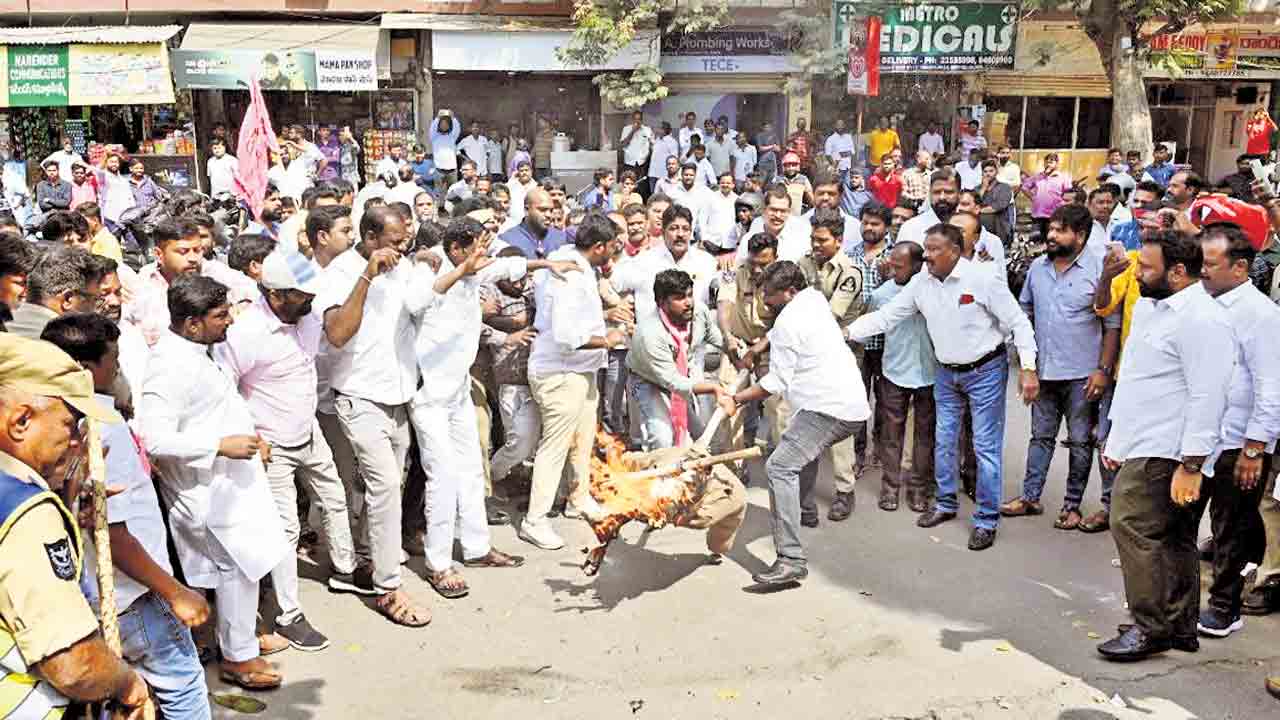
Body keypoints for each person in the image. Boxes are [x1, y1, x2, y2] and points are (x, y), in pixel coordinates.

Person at [40, 313, 213, 718]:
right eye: (113, 360)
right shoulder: (102, 427)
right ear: (85, 369)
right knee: (183, 689)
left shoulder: (57, 424)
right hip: (135, 596)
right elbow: (112, 533)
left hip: (99, 596)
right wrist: (175, 592)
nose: (118, 367)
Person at [847, 223, 1039, 551]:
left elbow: (1018, 322)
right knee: (944, 441)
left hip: (985, 372)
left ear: (955, 252)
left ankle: (986, 520)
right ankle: (946, 504)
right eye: (926, 248)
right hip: (946, 374)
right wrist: (846, 332)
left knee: (985, 447)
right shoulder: (921, 282)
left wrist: (1028, 368)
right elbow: (887, 316)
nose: (927, 256)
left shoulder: (982, 279)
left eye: (934, 249)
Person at [408, 218, 573, 595]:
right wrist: (461, 271)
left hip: (457, 392)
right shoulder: (428, 268)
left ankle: (477, 548)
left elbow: (507, 265)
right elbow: (416, 302)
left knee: (470, 469)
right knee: (442, 477)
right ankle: (438, 564)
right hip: (429, 395)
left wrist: (547, 264)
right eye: (475, 251)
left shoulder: (475, 267)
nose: (484, 258)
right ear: (454, 250)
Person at [140, 275, 289, 689]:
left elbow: (217, 407)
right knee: (234, 570)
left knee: (244, 567)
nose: (230, 322)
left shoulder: (199, 352)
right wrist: (219, 446)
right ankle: (238, 658)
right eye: (221, 315)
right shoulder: (168, 366)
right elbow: (153, 438)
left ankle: (239, 641)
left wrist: (251, 439)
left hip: (231, 485)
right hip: (204, 492)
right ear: (192, 324)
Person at [1096, 230, 1235, 662]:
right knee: (1174, 537)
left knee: (1132, 526)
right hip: (1143, 440)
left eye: (1146, 267)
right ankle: (1178, 626)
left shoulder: (1202, 320)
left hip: (1168, 450)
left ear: (1177, 272)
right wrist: (1118, 439)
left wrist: (1191, 464)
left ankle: (1149, 627)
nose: (1137, 273)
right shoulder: (1154, 307)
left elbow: (1208, 396)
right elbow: (1138, 381)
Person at [0, 333, 154, 719]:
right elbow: (75, 665)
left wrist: (64, 502)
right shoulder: (27, 513)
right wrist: (128, 685)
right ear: (21, 421)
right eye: (70, 425)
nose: (74, 441)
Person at [213, 249, 358, 653]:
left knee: (334, 499)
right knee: (285, 532)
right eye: (301, 294)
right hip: (271, 446)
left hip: (309, 433)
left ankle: (345, 570)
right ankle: (287, 614)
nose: (310, 299)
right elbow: (224, 389)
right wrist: (251, 437)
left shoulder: (307, 317)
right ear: (275, 295)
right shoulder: (246, 332)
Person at [313, 206, 431, 626]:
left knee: (386, 488)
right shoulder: (339, 273)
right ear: (369, 237)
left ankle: (367, 559)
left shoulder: (403, 267)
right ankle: (388, 587)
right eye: (396, 241)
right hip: (358, 396)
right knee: (384, 489)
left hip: (398, 395)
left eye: (407, 240)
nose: (403, 248)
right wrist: (367, 276)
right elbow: (337, 333)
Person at [721, 261, 869, 585]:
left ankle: (790, 559)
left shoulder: (789, 321)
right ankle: (803, 511)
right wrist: (758, 347)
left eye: (770, 295)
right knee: (801, 452)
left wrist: (736, 398)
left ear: (789, 292)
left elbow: (776, 382)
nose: (765, 302)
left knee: (779, 467)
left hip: (828, 409)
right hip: (850, 406)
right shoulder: (813, 299)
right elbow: (776, 332)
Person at [1181, 225, 1279, 639]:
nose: (1201, 270)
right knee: (1183, 520)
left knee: (1231, 529)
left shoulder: (1261, 315)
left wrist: (1254, 448)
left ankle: (1225, 607)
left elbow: (1271, 387)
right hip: (1201, 438)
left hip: (1239, 443)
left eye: (1209, 264)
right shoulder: (1201, 305)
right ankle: (1179, 602)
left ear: (1239, 268)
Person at [1001, 204, 1119, 530]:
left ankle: (1072, 506)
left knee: (1080, 442)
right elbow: (1024, 312)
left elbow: (1112, 325)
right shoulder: (1038, 268)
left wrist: (1103, 371)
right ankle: (1030, 497)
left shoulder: (1100, 270)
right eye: (1051, 229)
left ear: (1080, 236)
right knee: (1040, 436)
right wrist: (1027, 365)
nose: (1051, 235)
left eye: (1060, 230)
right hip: (1044, 371)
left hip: (1083, 375)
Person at [520, 212, 624, 550]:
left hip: (581, 372)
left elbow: (573, 318)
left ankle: (577, 499)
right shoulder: (570, 274)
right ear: (599, 246)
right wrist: (607, 339)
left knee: (582, 441)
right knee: (555, 447)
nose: (616, 251)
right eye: (613, 246)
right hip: (560, 372)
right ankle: (535, 520)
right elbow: (566, 335)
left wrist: (605, 316)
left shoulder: (573, 263)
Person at [796, 208, 864, 520]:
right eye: (813, 238)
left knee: (840, 423)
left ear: (838, 240)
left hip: (840, 357)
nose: (815, 244)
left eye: (822, 240)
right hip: (809, 356)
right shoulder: (804, 263)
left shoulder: (850, 272)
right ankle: (804, 496)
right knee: (807, 418)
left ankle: (845, 491)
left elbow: (830, 315)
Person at [626, 267, 728, 449]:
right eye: (679, 298)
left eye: (689, 295)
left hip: (681, 376)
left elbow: (715, 337)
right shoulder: (649, 333)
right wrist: (713, 387)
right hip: (649, 381)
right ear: (661, 302)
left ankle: (698, 465)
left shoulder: (698, 312)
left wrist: (738, 351)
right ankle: (662, 467)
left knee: (701, 434)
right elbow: (673, 381)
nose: (688, 303)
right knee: (662, 438)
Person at [871, 242, 936, 513]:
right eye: (892, 265)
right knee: (891, 434)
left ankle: (918, 488)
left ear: (918, 266)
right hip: (894, 372)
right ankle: (890, 488)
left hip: (930, 373)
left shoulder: (935, 291)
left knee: (925, 435)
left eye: (899, 267)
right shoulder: (882, 295)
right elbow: (875, 332)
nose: (892, 271)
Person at [8, 246, 101, 339]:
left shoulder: (5, 323)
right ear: (68, 300)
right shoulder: (66, 343)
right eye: (94, 299)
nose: (95, 309)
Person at [734, 186, 810, 263]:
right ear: (764, 210)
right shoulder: (748, 239)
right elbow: (740, 266)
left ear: (789, 213)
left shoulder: (800, 241)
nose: (778, 215)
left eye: (783, 211)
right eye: (773, 210)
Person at [500, 188, 568, 259]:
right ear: (527, 210)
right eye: (542, 210)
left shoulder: (561, 239)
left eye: (551, 210)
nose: (548, 215)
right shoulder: (508, 240)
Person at [1021, 153, 1073, 240]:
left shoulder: (1063, 178)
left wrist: (1063, 205)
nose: (1048, 164)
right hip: (1038, 214)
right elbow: (1024, 187)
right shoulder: (1038, 176)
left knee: (1051, 239)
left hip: (1054, 215)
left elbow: (1069, 195)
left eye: (1051, 162)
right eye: (1046, 162)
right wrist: (1033, 197)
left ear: (1057, 164)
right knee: (1035, 239)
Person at [977, 159, 1014, 243]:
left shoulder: (1004, 187)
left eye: (991, 171)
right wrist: (983, 188)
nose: (988, 174)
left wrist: (978, 210)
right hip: (980, 232)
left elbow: (997, 207)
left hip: (999, 230)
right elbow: (973, 203)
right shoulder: (977, 189)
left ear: (996, 172)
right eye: (985, 171)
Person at [620, 111, 654, 184]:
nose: (637, 121)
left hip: (642, 162)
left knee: (641, 184)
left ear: (642, 120)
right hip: (629, 162)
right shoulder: (626, 129)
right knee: (629, 183)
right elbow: (624, 144)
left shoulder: (647, 130)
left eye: (639, 119)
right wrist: (632, 131)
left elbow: (652, 144)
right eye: (635, 119)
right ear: (632, 120)